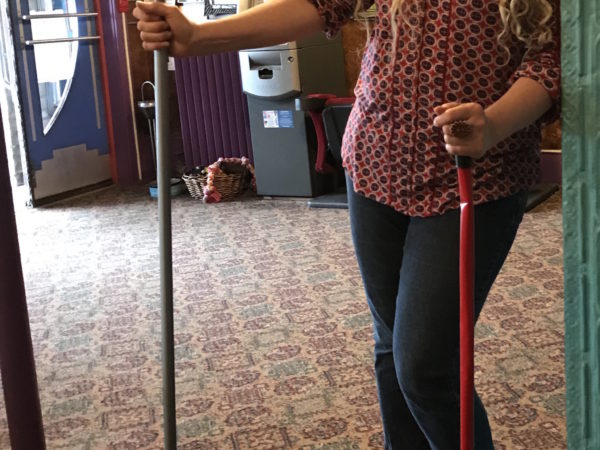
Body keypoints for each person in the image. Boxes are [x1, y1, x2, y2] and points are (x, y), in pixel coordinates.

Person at [134, 1, 560, 448]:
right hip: (375, 167)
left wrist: (492, 124)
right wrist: (198, 37)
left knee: (424, 366)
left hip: (474, 177)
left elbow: (554, 60)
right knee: (391, 346)